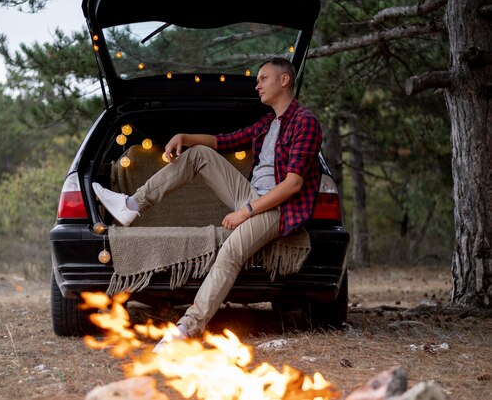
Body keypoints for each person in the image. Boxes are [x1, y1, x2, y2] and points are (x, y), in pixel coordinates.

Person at [92, 56, 323, 352]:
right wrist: (184, 137)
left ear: (284, 80)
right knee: (199, 154)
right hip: (251, 195)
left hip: (278, 209)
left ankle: (188, 328)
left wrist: (245, 212)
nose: (257, 85)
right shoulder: (268, 123)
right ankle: (132, 205)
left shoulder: (305, 122)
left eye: (263, 78)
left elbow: (293, 184)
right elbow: (224, 141)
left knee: (230, 252)